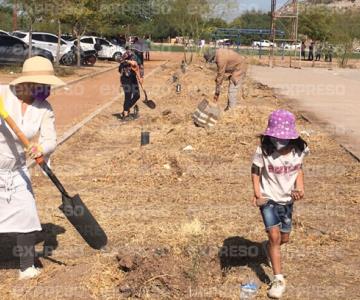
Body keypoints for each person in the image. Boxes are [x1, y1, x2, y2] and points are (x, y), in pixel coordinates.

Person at [0, 56, 64, 279]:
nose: (46, 89)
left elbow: (50, 140)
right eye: (42, 84)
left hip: (16, 169)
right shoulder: (2, 94)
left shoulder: (44, 108)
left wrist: (40, 148)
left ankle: (27, 267)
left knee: (26, 213)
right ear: (26, 82)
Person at [251, 110, 309, 299]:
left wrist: (299, 188)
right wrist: (257, 193)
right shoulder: (264, 150)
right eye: (276, 136)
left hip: (287, 200)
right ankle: (278, 279)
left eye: (283, 137)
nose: (279, 140)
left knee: (284, 238)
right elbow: (255, 171)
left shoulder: (299, 150)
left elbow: (299, 169)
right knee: (274, 236)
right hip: (268, 198)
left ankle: (270, 248)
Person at [118, 48, 143, 121]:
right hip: (125, 80)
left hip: (133, 80)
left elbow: (136, 66)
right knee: (128, 95)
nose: (133, 57)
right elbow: (121, 72)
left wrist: (140, 78)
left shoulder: (134, 59)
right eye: (131, 57)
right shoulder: (123, 62)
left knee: (137, 95)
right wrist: (125, 62)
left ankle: (125, 109)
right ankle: (125, 114)